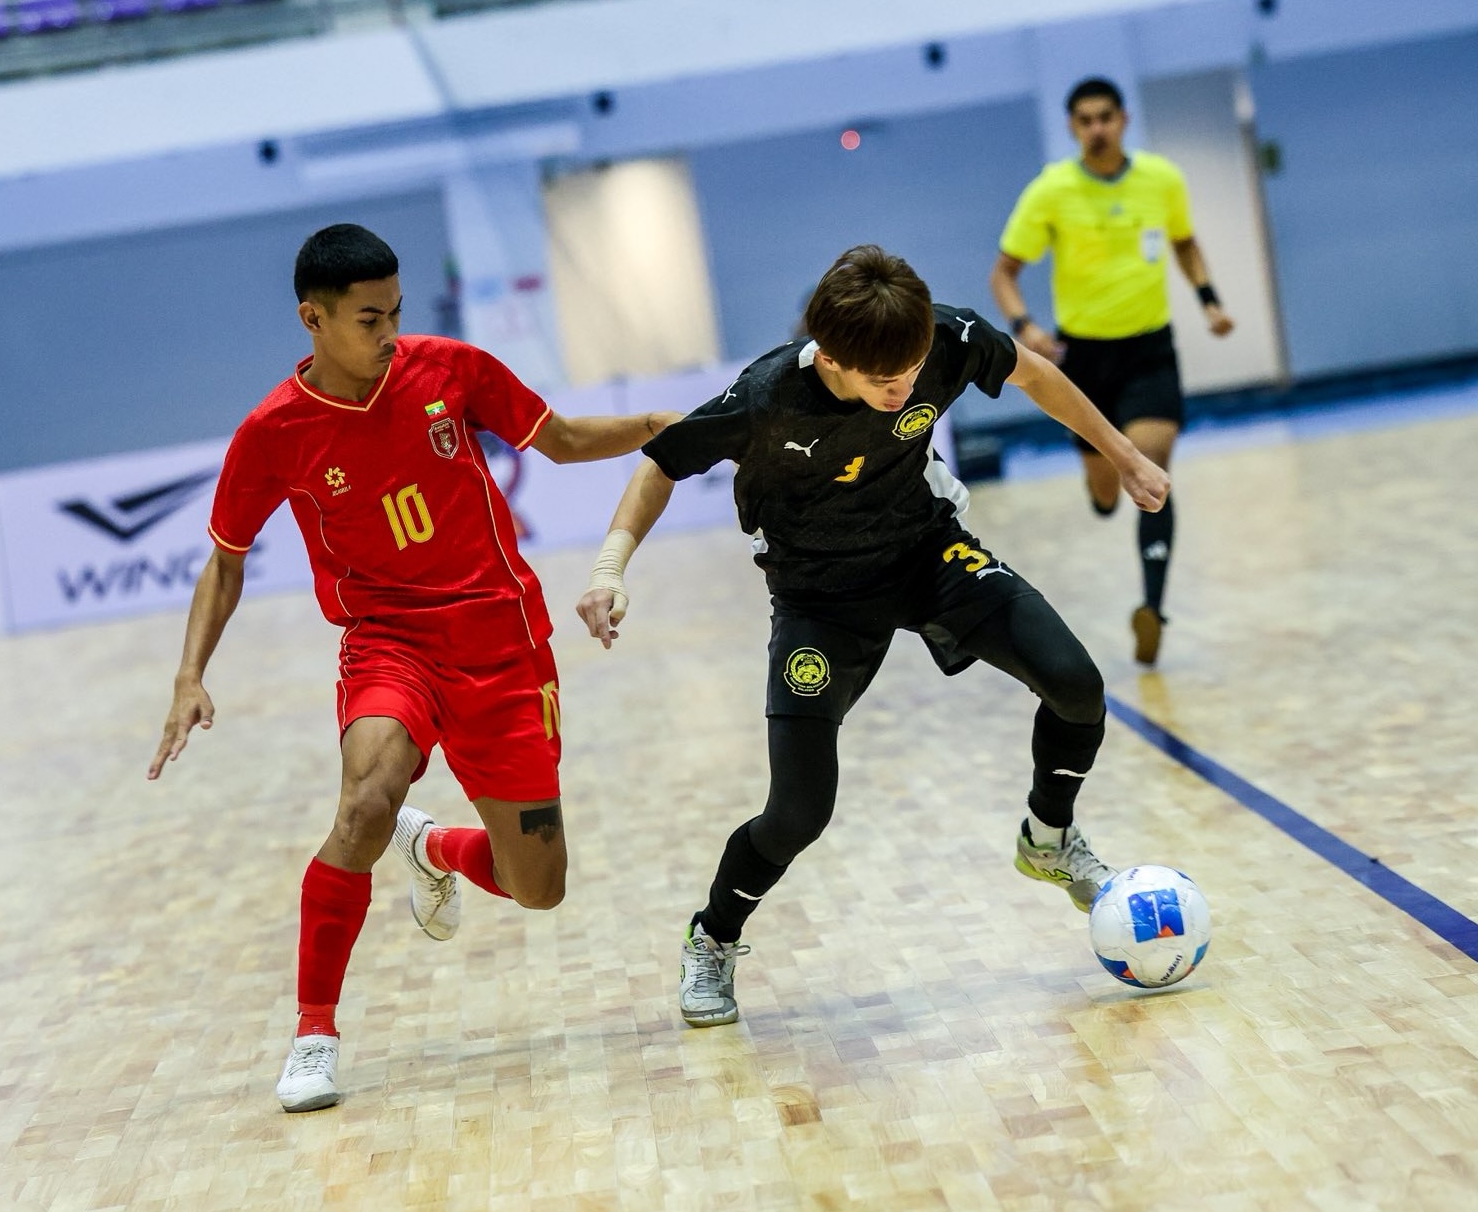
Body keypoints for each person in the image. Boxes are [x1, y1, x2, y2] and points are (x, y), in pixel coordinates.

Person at [147, 223, 676, 1111]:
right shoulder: (273, 432)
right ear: (313, 319)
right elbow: (226, 560)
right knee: (363, 804)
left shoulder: (451, 370)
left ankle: (430, 846)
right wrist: (188, 675)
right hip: (390, 644)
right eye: (369, 319)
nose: (390, 332)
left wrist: (658, 427)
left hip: (504, 647)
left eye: (395, 311)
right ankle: (315, 1033)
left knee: (538, 888)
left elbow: (559, 438)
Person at [575, 245, 1169, 1027]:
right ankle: (712, 937)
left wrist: (1123, 455)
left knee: (1076, 685)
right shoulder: (765, 397)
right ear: (829, 357)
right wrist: (610, 570)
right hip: (819, 598)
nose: (903, 390)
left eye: (913, 372)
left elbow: (1034, 374)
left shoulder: (947, 339)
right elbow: (659, 465)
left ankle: (1049, 836)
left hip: (927, 554)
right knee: (799, 811)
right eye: (884, 380)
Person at [989, 76, 1235, 664]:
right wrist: (1026, 326)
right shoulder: (1051, 191)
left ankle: (1152, 608)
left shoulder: (1162, 179)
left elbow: (1184, 242)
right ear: (1073, 127)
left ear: (1123, 119)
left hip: (1150, 350)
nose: (1097, 128)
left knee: (1150, 467)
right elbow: (1004, 272)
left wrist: (1209, 300)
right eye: (1085, 120)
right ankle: (1099, 490)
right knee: (1107, 490)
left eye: (1105, 117)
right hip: (1085, 360)